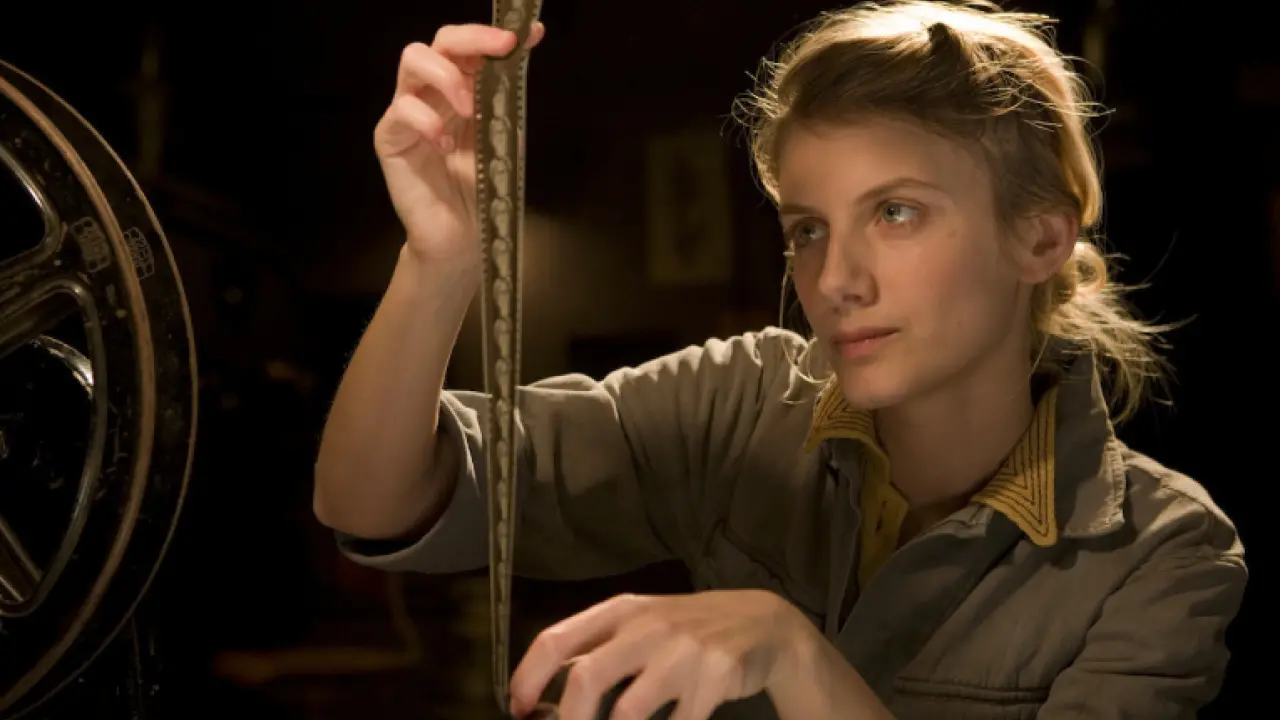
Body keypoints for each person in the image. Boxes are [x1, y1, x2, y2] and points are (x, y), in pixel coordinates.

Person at [312, 1, 1247, 718]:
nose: (834, 280)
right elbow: (370, 502)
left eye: (896, 213)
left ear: (1040, 238)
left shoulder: (1163, 554)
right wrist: (439, 266)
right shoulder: (742, 399)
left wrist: (794, 656)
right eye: (808, 229)